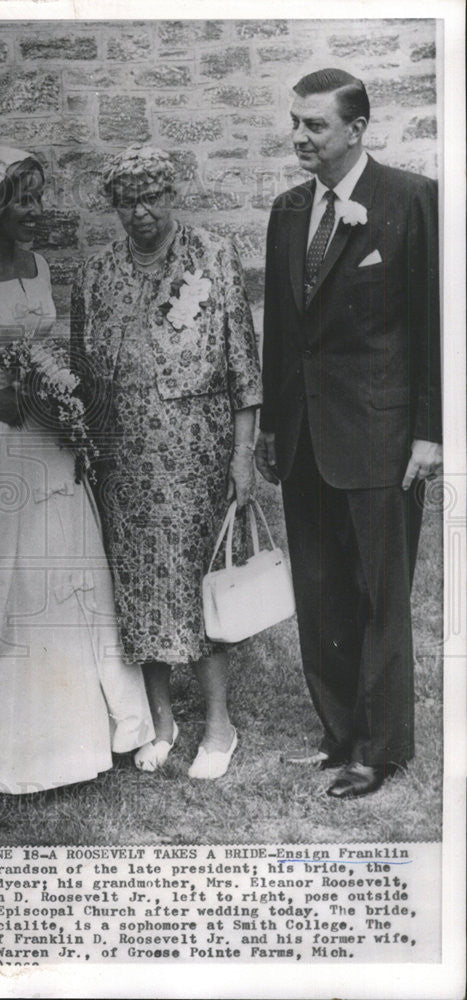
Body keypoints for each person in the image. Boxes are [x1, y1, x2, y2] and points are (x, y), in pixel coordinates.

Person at [0, 146, 154, 794]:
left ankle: (102, 725)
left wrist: (59, 399)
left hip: (45, 438)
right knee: (2, 584)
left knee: (70, 576)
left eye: (37, 197)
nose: (34, 212)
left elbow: (47, 351)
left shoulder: (36, 268)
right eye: (20, 200)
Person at [255, 69, 441, 799]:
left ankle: (380, 746)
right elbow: (282, 328)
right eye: (293, 124)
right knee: (321, 587)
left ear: (357, 129)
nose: (299, 137)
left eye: (315, 126)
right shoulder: (286, 209)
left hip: (380, 434)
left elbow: (435, 324)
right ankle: (337, 732)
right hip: (304, 434)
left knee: (377, 595)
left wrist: (429, 432)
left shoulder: (411, 199)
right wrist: (273, 427)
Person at [71, 144, 263, 780]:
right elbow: (82, 372)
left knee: (195, 583)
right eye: (127, 201)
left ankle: (218, 725)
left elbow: (242, 366)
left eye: (152, 196)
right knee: (137, 586)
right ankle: (160, 720)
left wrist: (242, 455)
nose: (141, 211)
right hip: (124, 458)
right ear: (115, 207)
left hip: (195, 453)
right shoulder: (96, 274)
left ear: (171, 195)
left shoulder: (212, 256)